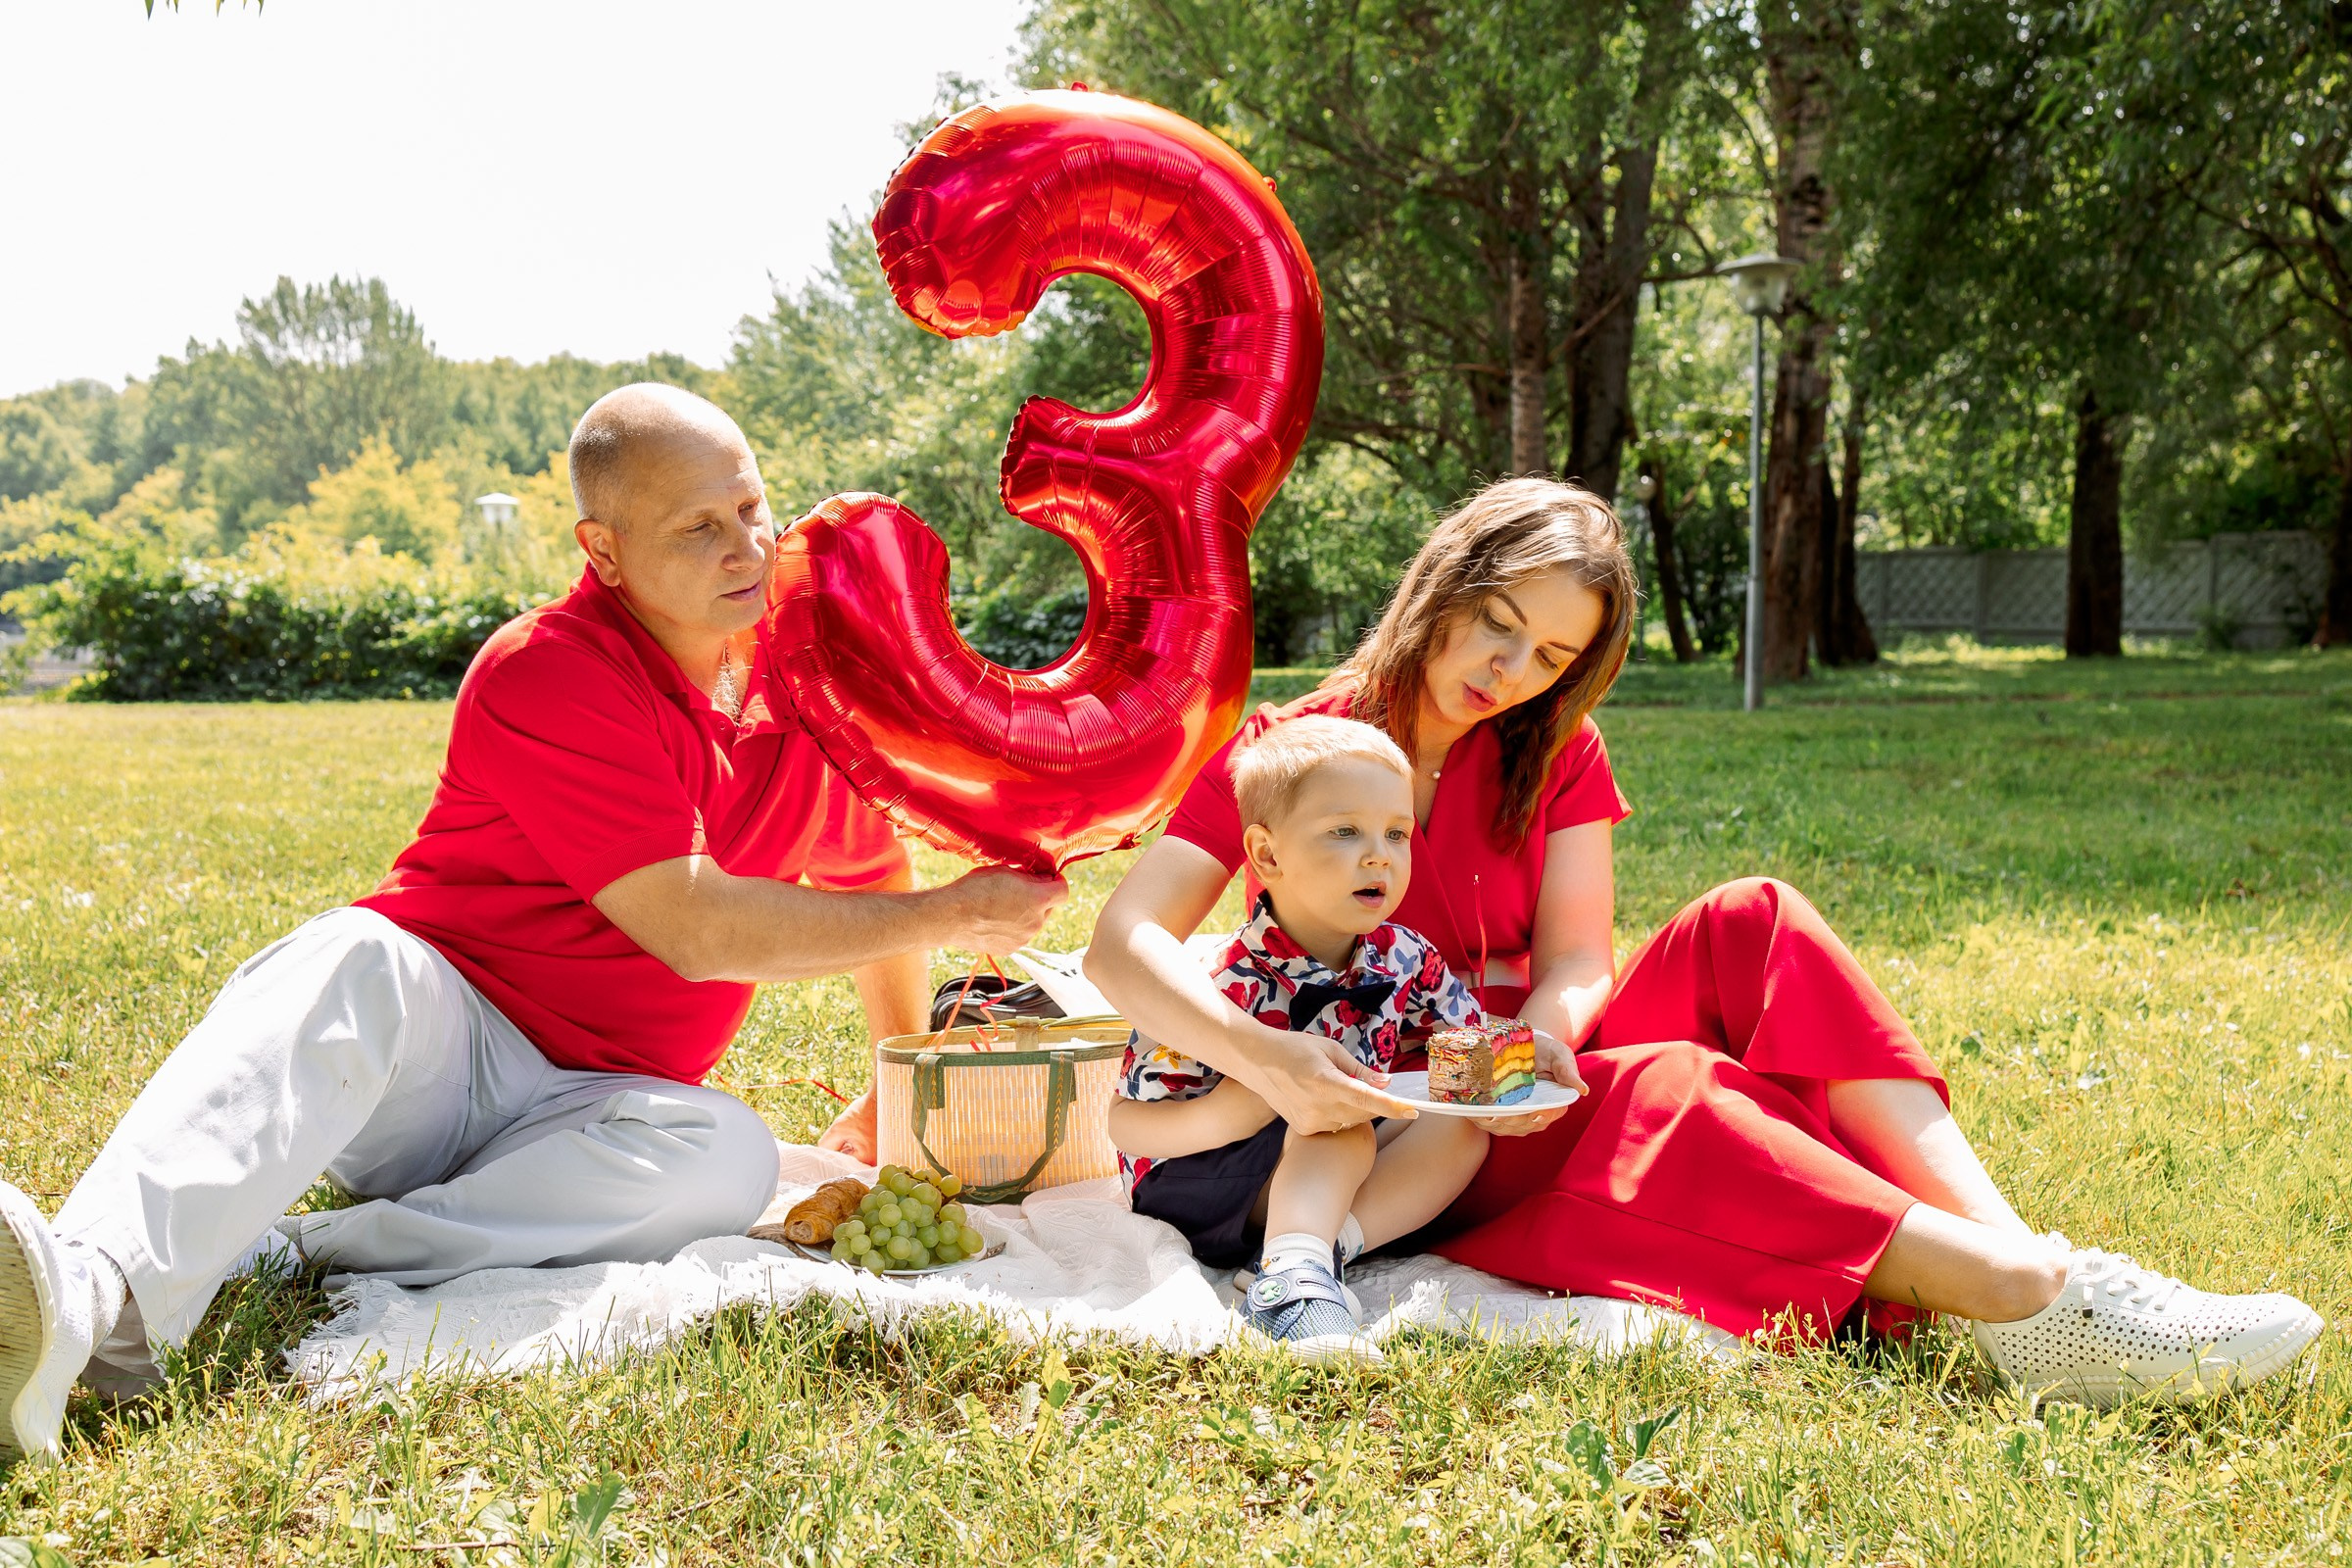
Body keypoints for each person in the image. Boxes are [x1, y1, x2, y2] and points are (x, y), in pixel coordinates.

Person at [1087, 475, 2323, 1407]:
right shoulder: (1296, 751)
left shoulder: (1552, 747)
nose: (1511, 670)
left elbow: (1579, 960)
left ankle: (2025, 1264)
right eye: (1497, 627)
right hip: (1393, 1120)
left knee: (1758, 917)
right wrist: (1266, 1060)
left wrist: (1543, 1050)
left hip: (1501, 1068)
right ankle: (2031, 1299)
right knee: (1672, 1089)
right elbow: (1121, 941)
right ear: (1445, 587)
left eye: (1554, 655)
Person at [0, 384, 1066, 1462]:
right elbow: (691, 925)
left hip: (595, 1113)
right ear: (602, 550)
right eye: (698, 526)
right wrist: (960, 904)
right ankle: (90, 1306)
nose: (745, 544)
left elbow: (872, 882)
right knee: (349, 955)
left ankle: (297, 1249)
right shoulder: (550, 668)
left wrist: (898, 1088)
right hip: (432, 1061)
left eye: (751, 506)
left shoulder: (798, 688)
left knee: (732, 1155)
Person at [1108, 716, 1495, 1363]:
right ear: (1266, 856)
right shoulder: (1217, 981)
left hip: (1308, 1177)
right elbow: (1126, 1127)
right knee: (1335, 1124)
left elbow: (1466, 1055)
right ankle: (1293, 1286)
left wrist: (1514, 1068)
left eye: (1396, 834)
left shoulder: (1407, 958)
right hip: (1195, 1176)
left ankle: (1308, 1258)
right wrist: (1241, 1103)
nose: (1379, 855)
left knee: (1463, 1126)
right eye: (1345, 832)